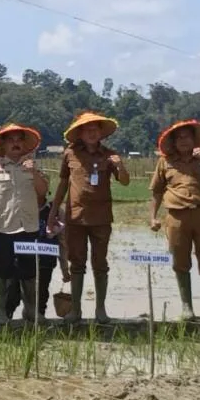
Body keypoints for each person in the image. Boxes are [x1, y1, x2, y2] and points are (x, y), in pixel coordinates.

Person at [47, 111, 130, 324]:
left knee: (100, 264)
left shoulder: (110, 155)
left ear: (101, 133)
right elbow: (62, 184)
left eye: (95, 129)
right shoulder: (70, 154)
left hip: (101, 218)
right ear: (80, 133)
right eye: (87, 129)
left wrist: (120, 165)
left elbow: (125, 181)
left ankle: (100, 309)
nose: (92, 133)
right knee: (76, 263)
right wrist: (53, 213)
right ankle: (75, 310)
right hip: (76, 217)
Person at [149, 120, 200, 322]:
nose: (183, 141)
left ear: (194, 140)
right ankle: (187, 306)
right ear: (173, 142)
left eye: (187, 137)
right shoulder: (165, 162)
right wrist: (153, 217)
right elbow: (156, 192)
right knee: (180, 261)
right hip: (176, 216)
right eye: (179, 138)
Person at [0, 124, 48, 323]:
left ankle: (30, 310)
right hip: (3, 228)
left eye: (19, 140)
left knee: (29, 269)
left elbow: (43, 192)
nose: (16, 143)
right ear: (3, 145)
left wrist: (34, 172)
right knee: (2, 269)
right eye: (11, 140)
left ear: (24, 144)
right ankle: (0, 311)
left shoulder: (34, 166)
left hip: (28, 227)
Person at [6, 191, 71, 319]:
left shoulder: (56, 211)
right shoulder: (19, 207)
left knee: (41, 296)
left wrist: (65, 269)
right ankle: (5, 320)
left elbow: (62, 242)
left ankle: (36, 319)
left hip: (45, 262)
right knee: (12, 294)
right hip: (21, 261)